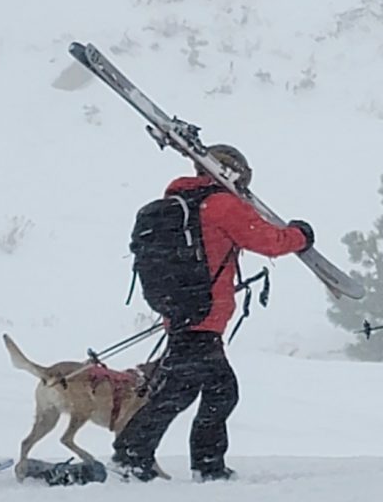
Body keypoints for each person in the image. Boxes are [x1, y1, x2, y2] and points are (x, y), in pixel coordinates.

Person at [111, 144, 315, 482]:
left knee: (179, 391)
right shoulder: (221, 205)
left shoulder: (183, 205)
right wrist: (301, 235)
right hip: (203, 317)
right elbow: (269, 240)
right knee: (221, 390)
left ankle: (135, 455)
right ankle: (200, 466)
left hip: (182, 314)